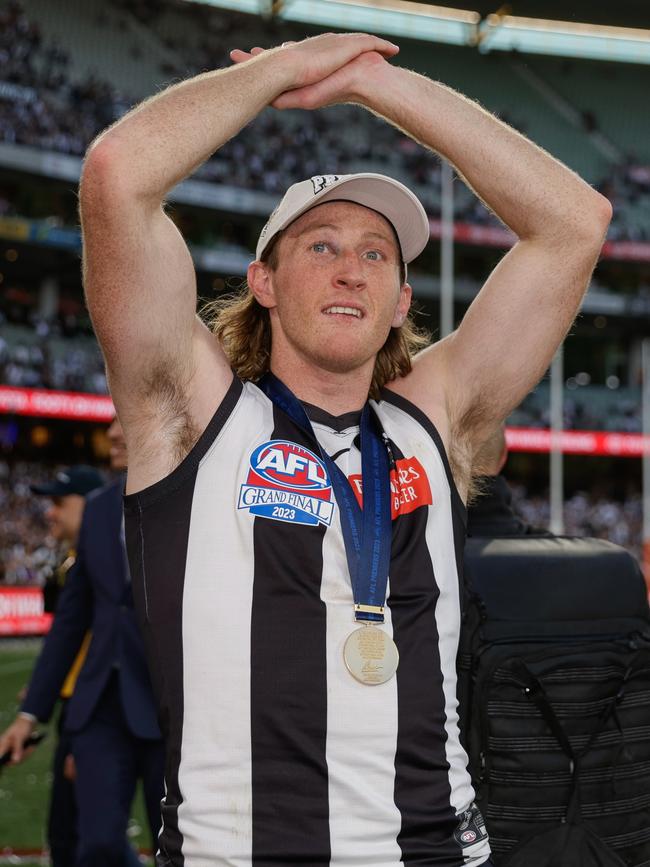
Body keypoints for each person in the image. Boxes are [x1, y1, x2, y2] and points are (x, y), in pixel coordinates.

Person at [77, 33, 611, 867]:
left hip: (438, 851)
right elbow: (118, 176)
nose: (350, 270)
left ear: (402, 300)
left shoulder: (432, 420)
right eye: (320, 246)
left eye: (375, 255)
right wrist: (280, 70)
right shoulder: (193, 416)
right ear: (263, 281)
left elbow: (576, 224)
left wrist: (374, 85)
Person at [0, 420, 165, 867]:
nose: (112, 435)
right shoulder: (98, 510)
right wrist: (31, 712)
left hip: (171, 703)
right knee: (94, 846)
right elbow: (70, 623)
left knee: (182, 850)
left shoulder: (196, 496)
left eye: (124, 422)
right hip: (100, 707)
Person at [31, 465, 105, 867]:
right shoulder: (72, 564)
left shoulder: (101, 566)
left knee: (80, 836)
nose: (51, 512)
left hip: (92, 711)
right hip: (77, 708)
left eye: (60, 502)